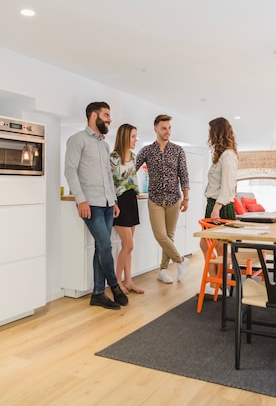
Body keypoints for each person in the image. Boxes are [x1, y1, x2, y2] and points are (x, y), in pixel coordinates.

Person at [64, 102, 128, 310]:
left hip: (108, 204)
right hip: (91, 204)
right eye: (106, 115)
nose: (110, 119)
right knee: (106, 246)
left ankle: (98, 293)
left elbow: (108, 177)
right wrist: (80, 199)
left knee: (101, 248)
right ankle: (114, 286)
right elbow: (70, 171)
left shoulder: (104, 145)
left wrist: (114, 201)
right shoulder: (77, 140)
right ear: (93, 116)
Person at [136, 114, 190, 284]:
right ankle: (181, 261)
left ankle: (163, 270)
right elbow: (132, 167)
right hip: (155, 199)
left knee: (169, 235)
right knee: (160, 235)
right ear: (156, 129)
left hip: (174, 199)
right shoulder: (147, 150)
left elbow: (184, 175)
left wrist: (186, 197)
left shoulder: (178, 150)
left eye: (169, 128)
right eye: (164, 128)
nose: (167, 131)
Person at [200, 117, 238, 295]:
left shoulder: (228, 155)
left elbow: (228, 185)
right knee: (208, 244)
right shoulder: (221, 154)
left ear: (217, 132)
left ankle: (217, 285)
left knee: (220, 246)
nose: (209, 134)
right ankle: (217, 283)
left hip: (220, 206)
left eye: (210, 131)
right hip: (214, 204)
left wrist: (216, 207)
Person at [110, 123, 145, 294]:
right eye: (133, 136)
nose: (135, 140)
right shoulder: (114, 157)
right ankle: (116, 282)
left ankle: (129, 281)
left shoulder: (133, 156)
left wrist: (137, 193)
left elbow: (133, 177)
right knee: (128, 245)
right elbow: (110, 182)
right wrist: (114, 203)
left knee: (129, 246)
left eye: (136, 136)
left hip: (131, 199)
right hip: (119, 201)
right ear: (124, 137)